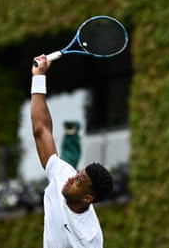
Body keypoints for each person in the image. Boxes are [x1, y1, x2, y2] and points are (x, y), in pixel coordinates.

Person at [30, 54, 114, 248]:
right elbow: (41, 131)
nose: (70, 178)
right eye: (77, 174)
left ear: (87, 198)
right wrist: (38, 77)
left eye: (78, 181)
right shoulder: (63, 176)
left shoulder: (90, 239)